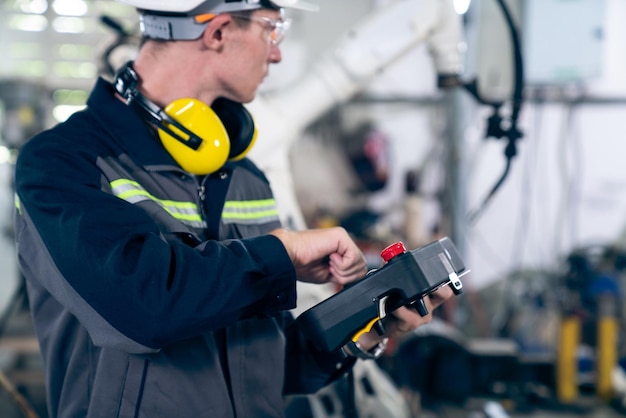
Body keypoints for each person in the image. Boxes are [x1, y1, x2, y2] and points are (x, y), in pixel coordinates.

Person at [13, 0, 454, 417]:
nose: (277, 53)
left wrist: (367, 326)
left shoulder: (244, 176)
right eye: (273, 28)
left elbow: (267, 364)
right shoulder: (63, 163)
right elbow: (140, 305)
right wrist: (281, 253)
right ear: (220, 31)